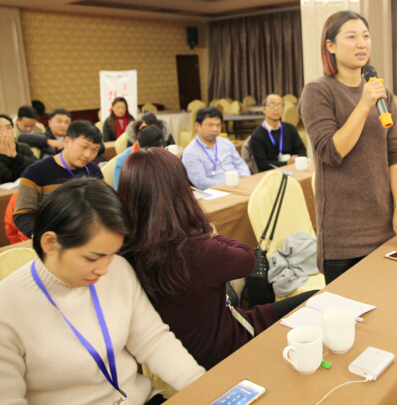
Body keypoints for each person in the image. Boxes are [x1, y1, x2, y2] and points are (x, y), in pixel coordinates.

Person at [0, 179, 205, 405]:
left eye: (111, 254)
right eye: (92, 258)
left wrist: (206, 390)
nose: (104, 269)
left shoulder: (117, 270)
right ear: (50, 243)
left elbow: (153, 340)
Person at [118, 148, 316, 371]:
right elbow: (247, 259)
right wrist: (211, 234)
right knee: (316, 299)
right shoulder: (195, 249)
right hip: (226, 345)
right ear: (181, 191)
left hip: (183, 349)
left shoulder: (123, 254)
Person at [298, 10, 397, 284]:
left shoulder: (383, 94)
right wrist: (364, 105)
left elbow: (395, 155)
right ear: (330, 45)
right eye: (351, 37)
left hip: (385, 226)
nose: (362, 43)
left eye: (366, 36)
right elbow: (331, 153)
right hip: (344, 235)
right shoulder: (318, 91)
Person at [13, 120, 104, 238]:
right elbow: (22, 214)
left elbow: (104, 205)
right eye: (84, 147)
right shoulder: (35, 172)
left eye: (94, 150)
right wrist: (41, 237)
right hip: (54, 237)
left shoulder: (94, 171)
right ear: (67, 142)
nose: (88, 155)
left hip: (89, 235)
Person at [182, 107, 250, 189]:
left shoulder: (226, 143)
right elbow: (201, 182)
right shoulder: (190, 152)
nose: (215, 129)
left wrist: (245, 176)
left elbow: (240, 163)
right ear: (198, 126)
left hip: (239, 185)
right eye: (210, 125)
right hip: (216, 191)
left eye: (218, 125)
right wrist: (229, 183)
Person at [249, 94, 307, 172]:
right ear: (263, 109)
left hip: (294, 171)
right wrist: (286, 163)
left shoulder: (290, 129)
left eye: (279, 105)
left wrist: (298, 160)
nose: (276, 108)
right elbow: (262, 164)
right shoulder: (257, 135)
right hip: (270, 175)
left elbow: (302, 150)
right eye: (272, 105)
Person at [113, 123, 165, 190]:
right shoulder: (123, 162)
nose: (159, 155)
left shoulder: (165, 154)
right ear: (139, 146)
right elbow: (120, 191)